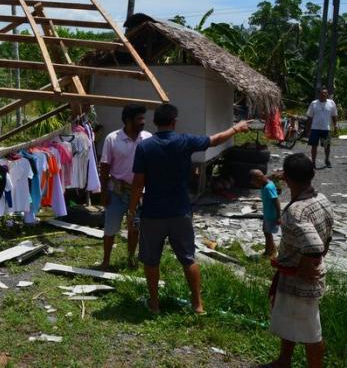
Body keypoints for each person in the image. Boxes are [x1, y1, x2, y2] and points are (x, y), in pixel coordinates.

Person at [127, 104, 249, 314]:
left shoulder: (145, 147)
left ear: (155, 122)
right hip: (180, 211)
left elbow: (138, 183)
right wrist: (236, 128)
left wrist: (131, 211)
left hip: (153, 213)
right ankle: (197, 304)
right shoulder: (184, 141)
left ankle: (154, 303)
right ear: (174, 122)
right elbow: (215, 139)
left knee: (151, 260)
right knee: (187, 258)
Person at [264, 153, 333, 368]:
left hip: (302, 279)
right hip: (297, 275)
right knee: (289, 322)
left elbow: (314, 246)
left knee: (311, 331)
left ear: (287, 178)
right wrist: (318, 258)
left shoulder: (296, 211)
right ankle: (284, 360)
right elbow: (328, 235)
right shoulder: (321, 199)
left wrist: (306, 264)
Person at [99, 104, 151, 270]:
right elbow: (105, 167)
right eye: (139, 119)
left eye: (143, 118)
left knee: (134, 228)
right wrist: (103, 192)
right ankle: (106, 260)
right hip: (116, 191)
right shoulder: (112, 139)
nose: (143, 122)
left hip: (138, 193)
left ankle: (130, 260)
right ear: (128, 120)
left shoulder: (148, 138)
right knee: (110, 228)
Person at [250, 169, 282, 258]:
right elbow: (267, 177)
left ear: (259, 179)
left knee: (267, 233)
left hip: (271, 215)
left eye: (254, 182)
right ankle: (272, 249)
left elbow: (276, 201)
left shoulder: (268, 188)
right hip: (267, 214)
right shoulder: (265, 184)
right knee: (266, 232)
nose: (254, 184)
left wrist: (279, 216)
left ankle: (268, 252)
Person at [305, 88, 338, 169]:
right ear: (319, 94)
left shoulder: (331, 103)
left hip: (326, 128)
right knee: (314, 146)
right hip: (315, 128)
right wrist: (308, 129)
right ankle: (313, 162)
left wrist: (335, 125)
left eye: (325, 93)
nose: (324, 95)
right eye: (322, 93)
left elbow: (334, 115)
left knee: (327, 145)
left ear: (327, 94)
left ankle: (327, 160)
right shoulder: (314, 103)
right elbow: (310, 117)